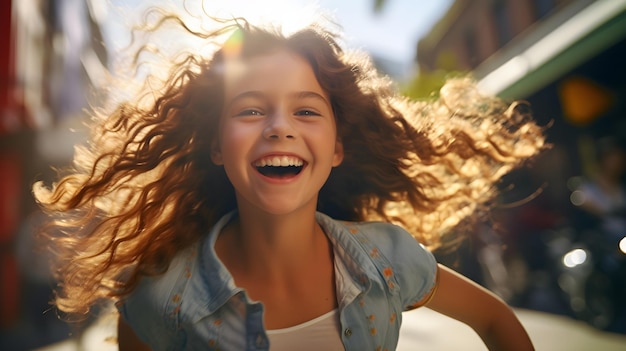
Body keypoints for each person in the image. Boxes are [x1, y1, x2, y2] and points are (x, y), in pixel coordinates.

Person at [33, 8, 546, 351]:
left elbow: (497, 321)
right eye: (251, 110)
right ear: (216, 145)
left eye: (306, 111)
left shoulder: (386, 260)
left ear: (337, 147)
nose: (280, 127)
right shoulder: (160, 295)